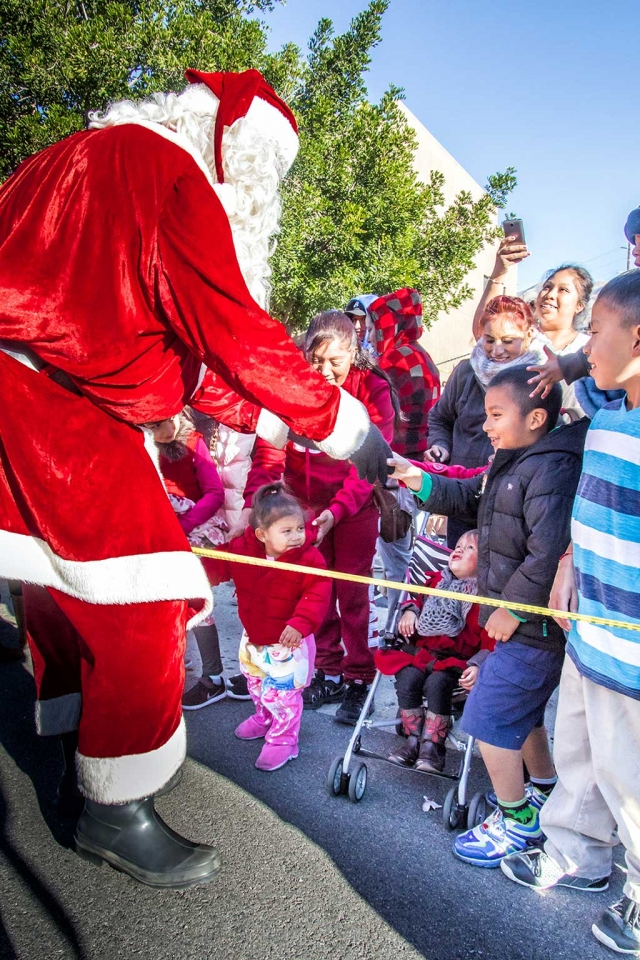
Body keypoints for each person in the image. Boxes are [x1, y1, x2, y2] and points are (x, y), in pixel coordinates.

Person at [0, 69, 391, 888]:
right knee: (150, 598)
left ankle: (69, 728)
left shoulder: (71, 156)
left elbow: (175, 354)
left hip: (36, 386)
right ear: (241, 154)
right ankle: (117, 808)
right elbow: (235, 335)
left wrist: (261, 420)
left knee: (59, 584)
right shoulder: (175, 178)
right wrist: (345, 427)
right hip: (56, 405)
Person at [391, 367, 589, 868]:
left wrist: (510, 608)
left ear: (537, 417)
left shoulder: (551, 470)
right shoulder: (513, 461)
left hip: (531, 626)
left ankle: (517, 820)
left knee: (489, 718)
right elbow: (469, 498)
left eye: (496, 415)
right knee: (520, 718)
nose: (485, 425)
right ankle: (543, 788)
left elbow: (546, 553)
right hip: (516, 621)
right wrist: (418, 479)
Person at [500, 271, 640, 957]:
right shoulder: (607, 405)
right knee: (581, 751)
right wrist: (564, 568)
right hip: (589, 628)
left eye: (596, 330)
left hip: (633, 647)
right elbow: (571, 377)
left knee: (630, 775)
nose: (584, 343)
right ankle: (577, 854)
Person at [242, 310, 395, 724]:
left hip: (353, 509)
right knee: (315, 593)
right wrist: (258, 504)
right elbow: (269, 452)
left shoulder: (374, 388)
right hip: (303, 511)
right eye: (316, 361)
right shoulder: (288, 390)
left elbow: (368, 467)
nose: (324, 372)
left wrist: (336, 511)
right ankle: (327, 669)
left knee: (352, 597)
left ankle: (359, 676)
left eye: (336, 363)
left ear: (353, 355)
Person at [203, 483, 331, 771]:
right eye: (287, 531)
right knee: (257, 684)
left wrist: (300, 624)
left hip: (290, 644)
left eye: (299, 528)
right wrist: (195, 572)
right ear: (262, 534)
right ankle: (264, 717)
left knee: (284, 695)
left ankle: (284, 739)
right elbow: (218, 567)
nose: (297, 536)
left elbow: (318, 593)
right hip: (254, 638)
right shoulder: (241, 549)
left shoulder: (310, 558)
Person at [427, 296, 547, 547]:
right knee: (460, 575)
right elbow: (440, 417)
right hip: (462, 495)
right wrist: (441, 446)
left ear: (529, 334)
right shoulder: (465, 372)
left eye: (508, 341)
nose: (497, 349)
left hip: (514, 500)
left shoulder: (542, 377)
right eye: (489, 340)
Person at [376, 530, 492, 771]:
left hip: (456, 663)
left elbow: (490, 641)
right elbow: (417, 601)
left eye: (469, 548)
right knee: (407, 678)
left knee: (437, 683)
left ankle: (433, 746)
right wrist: (410, 611)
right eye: (458, 545)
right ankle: (412, 739)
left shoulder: (484, 599)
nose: (458, 549)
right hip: (421, 655)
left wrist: (479, 663)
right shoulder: (435, 581)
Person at [365, 288, 441, 629]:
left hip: (397, 472)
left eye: (372, 329)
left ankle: (395, 628)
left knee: (398, 558)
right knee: (410, 555)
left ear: (388, 326)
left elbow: (387, 426)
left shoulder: (395, 360)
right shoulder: (422, 355)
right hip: (419, 471)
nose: (368, 336)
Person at [147, 411, 228, 710]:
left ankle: (213, 677)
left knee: (197, 604)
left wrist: (184, 524)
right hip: (155, 534)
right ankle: (176, 665)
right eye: (154, 425)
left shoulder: (194, 443)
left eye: (169, 419)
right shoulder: (140, 447)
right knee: (164, 604)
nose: (166, 429)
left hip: (190, 533)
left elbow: (214, 492)